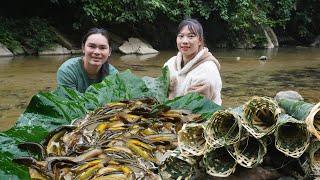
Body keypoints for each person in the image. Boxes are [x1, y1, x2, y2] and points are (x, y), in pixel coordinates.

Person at [163, 18, 222, 105]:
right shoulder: (170, 63)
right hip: (171, 114)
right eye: (181, 36)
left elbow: (193, 109)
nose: (185, 41)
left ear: (200, 41)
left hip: (202, 117)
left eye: (191, 36)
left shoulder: (208, 69)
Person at [56, 27, 118, 93]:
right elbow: (68, 100)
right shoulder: (68, 71)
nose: (97, 52)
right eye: (92, 46)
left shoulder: (113, 75)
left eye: (102, 48)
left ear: (110, 51)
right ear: (83, 48)